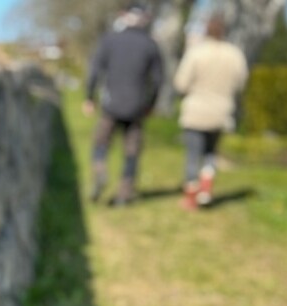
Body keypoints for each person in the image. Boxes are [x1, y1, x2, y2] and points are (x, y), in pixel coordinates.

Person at [83, 3, 164, 206]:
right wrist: (151, 104)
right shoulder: (150, 44)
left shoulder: (111, 40)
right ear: (144, 19)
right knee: (132, 150)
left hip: (111, 104)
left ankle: (100, 168)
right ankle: (124, 193)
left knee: (101, 142)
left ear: (123, 16)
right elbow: (157, 80)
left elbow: (94, 70)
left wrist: (89, 97)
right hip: (137, 106)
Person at [173, 15, 248, 210]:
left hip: (196, 111)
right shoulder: (235, 54)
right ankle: (206, 190)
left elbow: (181, 82)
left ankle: (191, 196)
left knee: (193, 154)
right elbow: (241, 83)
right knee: (210, 153)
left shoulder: (197, 53)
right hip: (221, 112)